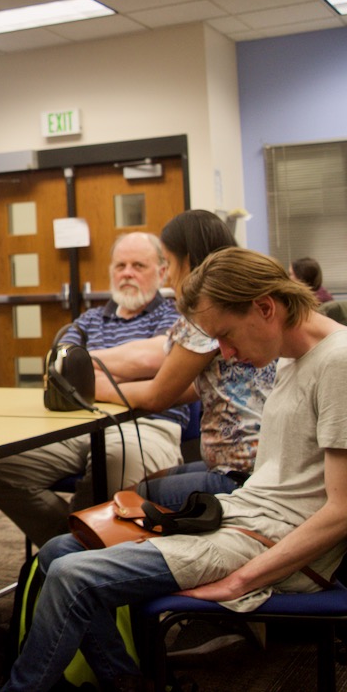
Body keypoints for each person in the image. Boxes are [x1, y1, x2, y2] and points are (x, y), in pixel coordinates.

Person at [0, 247, 347, 692]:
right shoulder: (296, 356)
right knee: (58, 551)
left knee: (71, 577)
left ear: (265, 307)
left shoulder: (345, 363)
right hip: (246, 518)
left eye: (226, 335)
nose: (225, 352)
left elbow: (343, 511)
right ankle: (130, 683)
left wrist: (240, 582)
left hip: (276, 544)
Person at [0, 232, 190, 549]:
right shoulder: (89, 320)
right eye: (120, 266)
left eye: (138, 266)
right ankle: (71, 547)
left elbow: (155, 360)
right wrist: (126, 373)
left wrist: (88, 369)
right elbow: (60, 369)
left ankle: (80, 555)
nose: (127, 273)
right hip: (78, 426)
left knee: (113, 464)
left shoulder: (173, 316)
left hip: (148, 425)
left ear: (162, 272)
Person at [93, 211, 277, 507]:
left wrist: (96, 388)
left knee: (127, 500)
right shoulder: (241, 303)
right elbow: (199, 387)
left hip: (240, 474)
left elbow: (156, 397)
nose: (167, 274)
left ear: (188, 261)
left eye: (168, 262)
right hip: (264, 463)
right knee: (150, 482)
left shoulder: (206, 311)